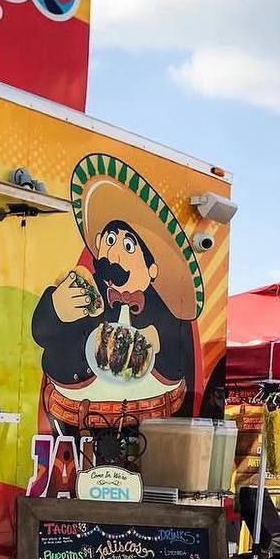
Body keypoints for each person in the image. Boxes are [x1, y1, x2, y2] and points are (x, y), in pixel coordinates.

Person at [32, 152, 206, 431]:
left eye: (128, 247)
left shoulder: (168, 308)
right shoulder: (81, 289)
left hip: (149, 422)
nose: (113, 254)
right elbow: (41, 334)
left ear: (152, 269)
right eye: (110, 240)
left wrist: (158, 338)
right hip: (73, 417)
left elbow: (184, 358)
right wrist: (55, 311)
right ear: (99, 242)